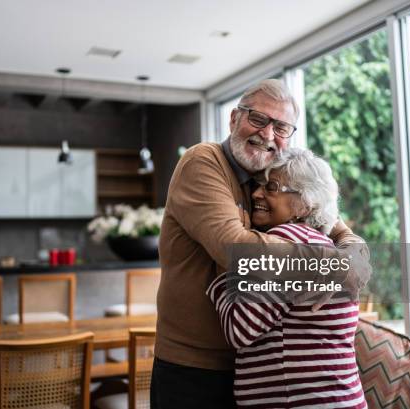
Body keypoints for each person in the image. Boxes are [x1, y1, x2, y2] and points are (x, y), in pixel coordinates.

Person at [151, 79, 370, 409]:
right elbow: (236, 249)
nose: (268, 134)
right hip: (193, 369)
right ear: (234, 119)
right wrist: (333, 265)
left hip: (248, 369)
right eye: (258, 119)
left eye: (281, 127)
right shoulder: (203, 161)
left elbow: (328, 220)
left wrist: (353, 254)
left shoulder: (272, 181)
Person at [207, 148, 367, 408]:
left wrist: (221, 272)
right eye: (258, 186)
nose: (256, 194)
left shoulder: (288, 240)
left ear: (305, 203)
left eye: (271, 187)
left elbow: (240, 329)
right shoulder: (325, 245)